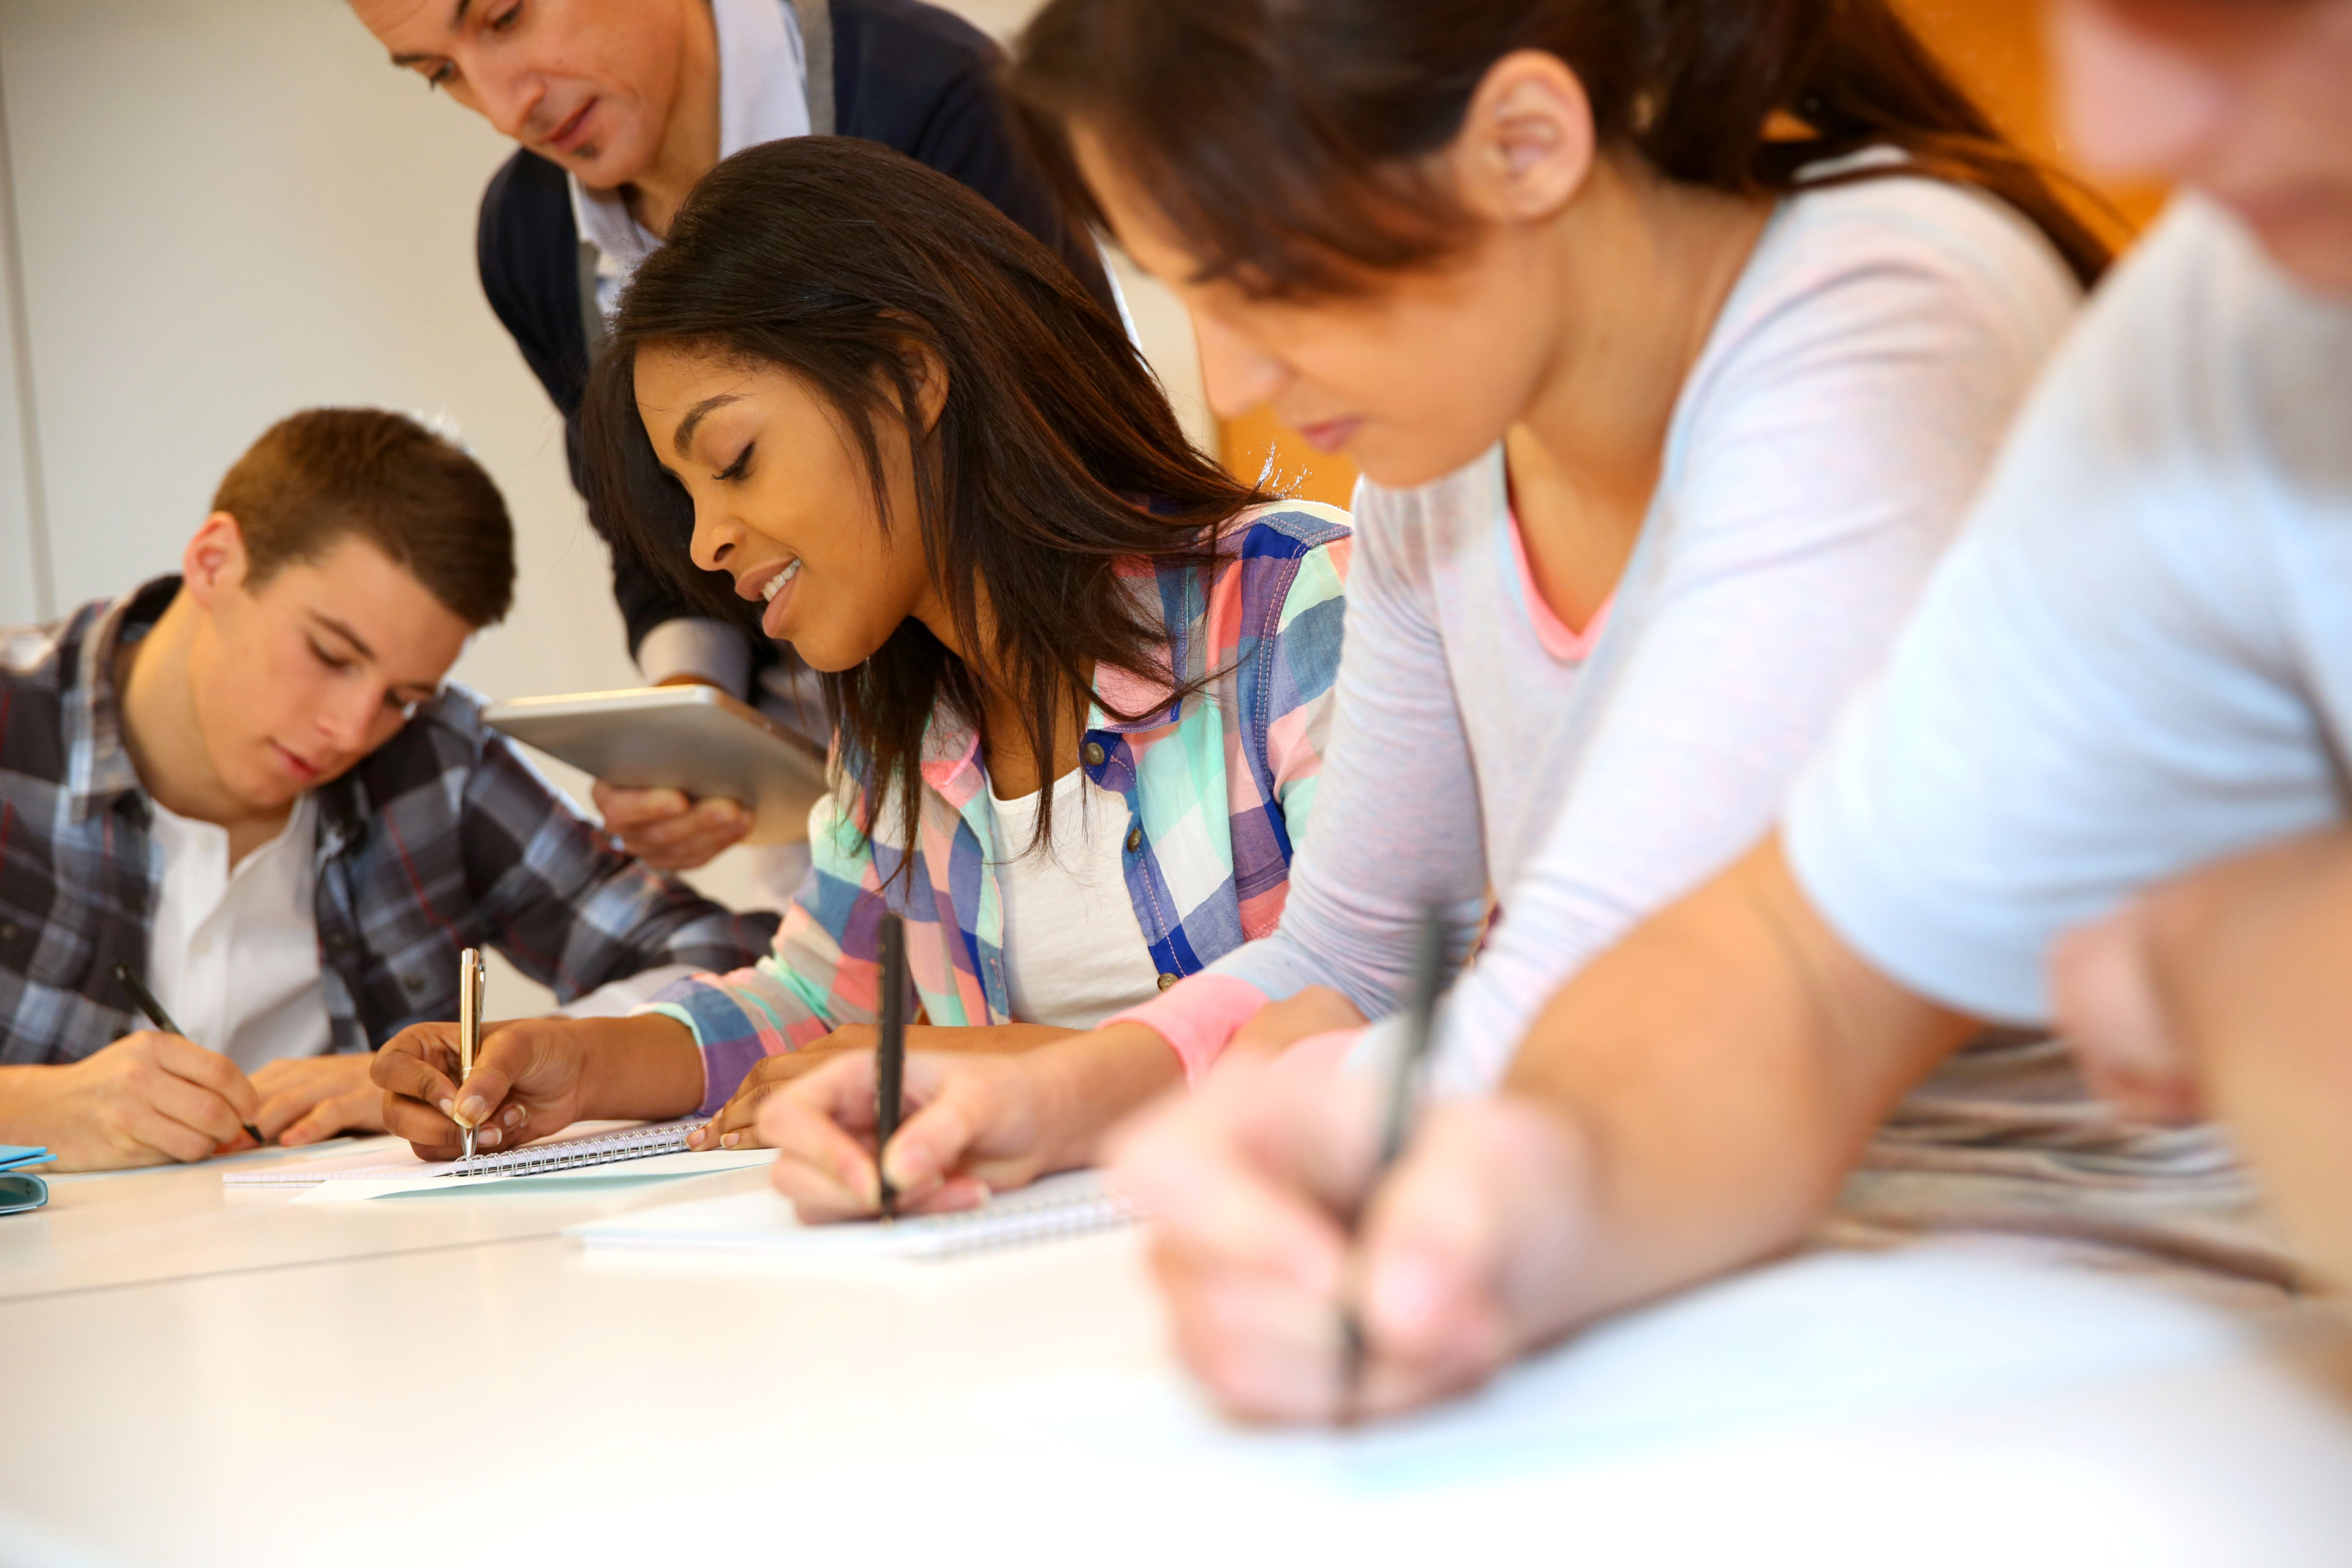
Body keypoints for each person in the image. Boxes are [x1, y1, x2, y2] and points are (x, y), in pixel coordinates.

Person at [1110, 0, 2352, 1423]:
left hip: (2115, 1320)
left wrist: (2239, 963)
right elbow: (1794, 958)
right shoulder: (2222, 327)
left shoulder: (1888, 293)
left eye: (2227, 10)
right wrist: (1538, 1177)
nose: (2109, 130)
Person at [745, 0, 2103, 1218]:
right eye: (1190, 296)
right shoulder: (1443, 465)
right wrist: (1062, 1098)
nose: (1239, 372)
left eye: (1265, 280)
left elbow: (1610, 972)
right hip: (1725, 1239)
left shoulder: (1883, 305)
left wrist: (1313, 1094)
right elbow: (1348, 949)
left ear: (1523, 144)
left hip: (2059, 1253)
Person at [367, 138, 1349, 1173]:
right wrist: (584, 1061)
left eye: (733, 461)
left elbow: (1391, 1003)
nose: (706, 543)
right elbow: (818, 997)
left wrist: (1009, 1068)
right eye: (691, 497)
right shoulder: (902, 733)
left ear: (908, 374)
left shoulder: (1294, 605)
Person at [345, 0, 1117, 900]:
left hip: (1070, 734)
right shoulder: (526, 239)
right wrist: (692, 729)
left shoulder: (930, 92)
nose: (506, 105)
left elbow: (1076, 435)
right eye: (440, 74)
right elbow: (649, 532)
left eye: (506, 18)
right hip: (853, 807)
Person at [0, 409, 777, 1172]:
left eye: (402, 695)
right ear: (213, 561)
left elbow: (731, 965)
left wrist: (487, 1065)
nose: (351, 728)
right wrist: (33, 1107)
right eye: (331, 654)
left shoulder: (435, 755)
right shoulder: (14, 724)